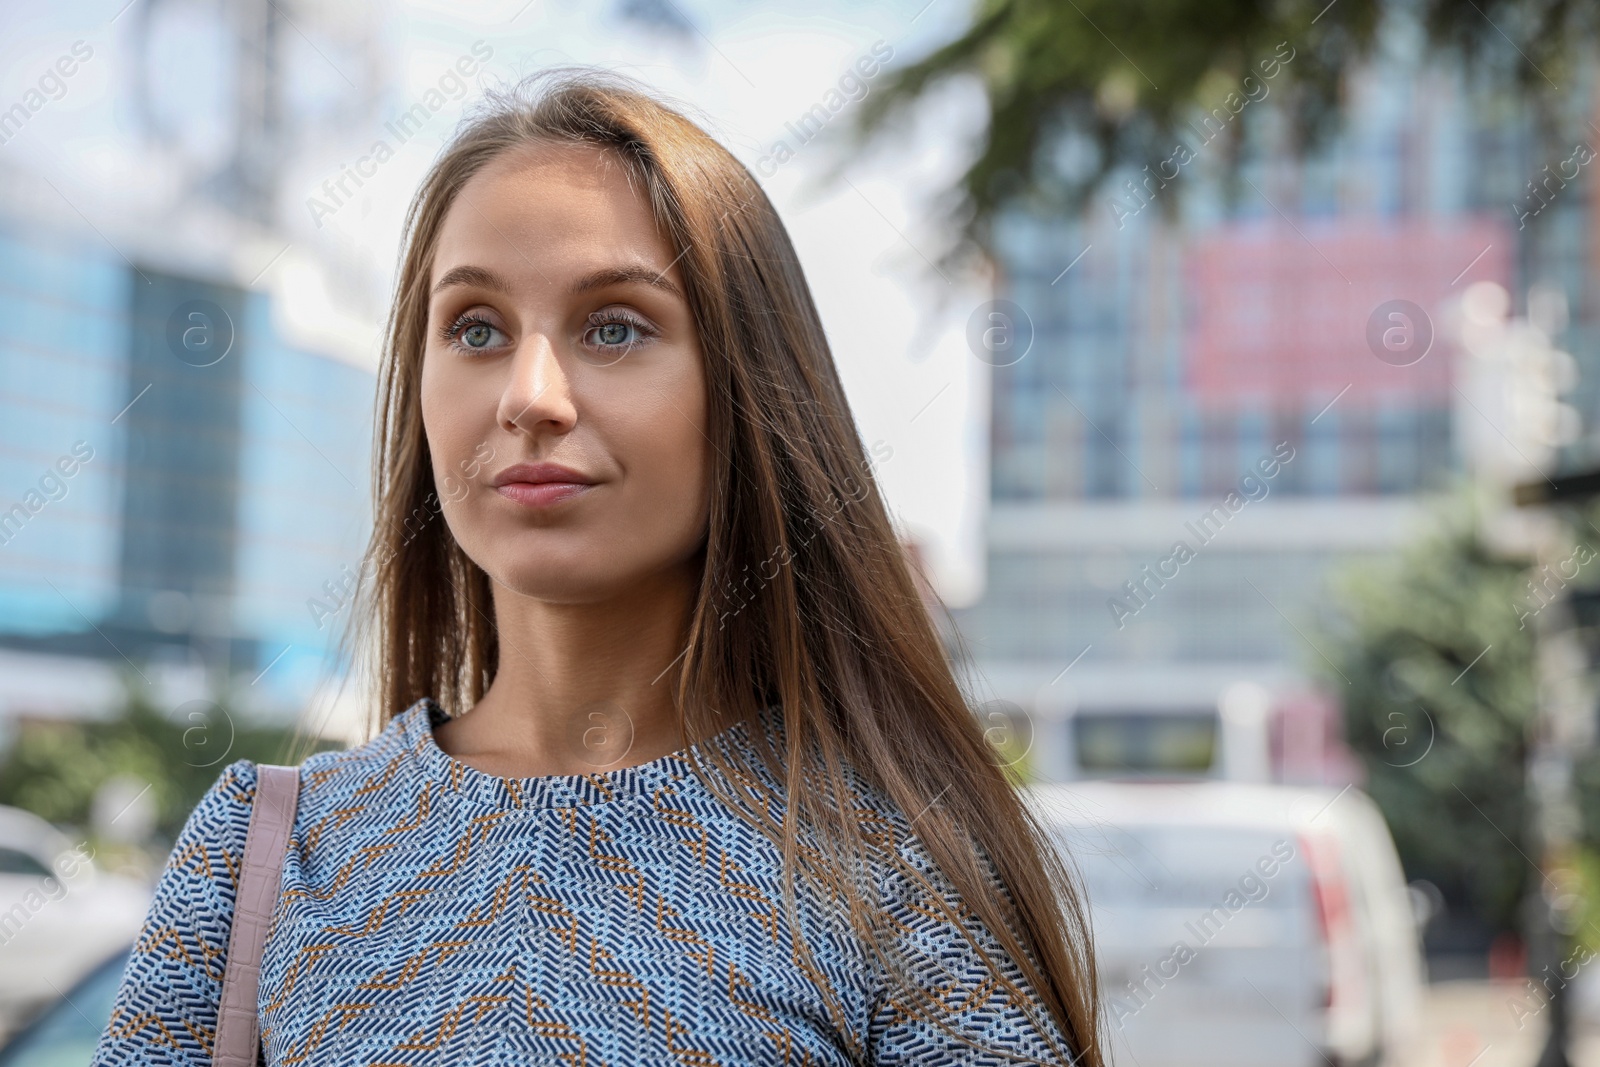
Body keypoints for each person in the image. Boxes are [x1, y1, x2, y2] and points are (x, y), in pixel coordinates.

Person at [90, 68, 1100, 1066]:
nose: (530, 395)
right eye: (475, 328)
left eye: (614, 326)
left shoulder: (892, 876)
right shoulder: (264, 853)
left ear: (747, 390)